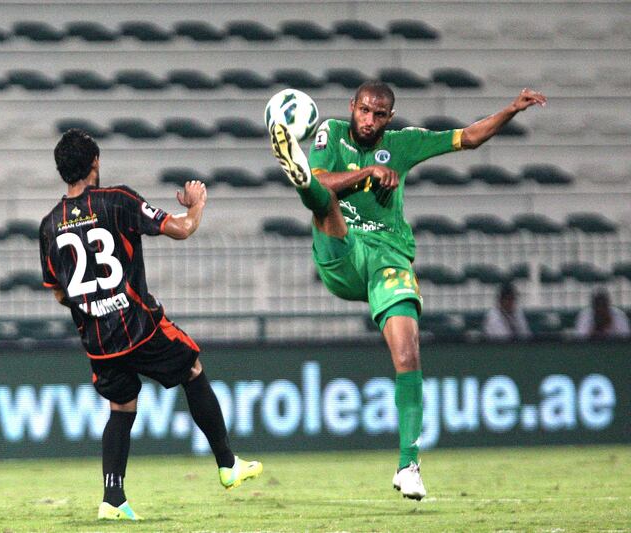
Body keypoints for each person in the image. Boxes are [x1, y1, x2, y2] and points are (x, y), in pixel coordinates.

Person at [269, 82, 546, 500]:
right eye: (364, 110)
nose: (369, 120)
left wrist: (512, 108)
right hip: (342, 253)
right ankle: (300, 174)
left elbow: (468, 138)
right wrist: (366, 173)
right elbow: (328, 182)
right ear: (352, 107)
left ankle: (408, 464)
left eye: (379, 115)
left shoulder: (404, 143)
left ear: (389, 119)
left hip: (389, 260)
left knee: (407, 353)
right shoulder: (330, 133)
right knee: (321, 196)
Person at [39, 129, 262, 521]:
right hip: (137, 325)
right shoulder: (116, 200)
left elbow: (59, 292)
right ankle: (228, 464)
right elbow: (181, 229)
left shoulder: (49, 224)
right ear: (95, 163)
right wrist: (195, 207)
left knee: (121, 406)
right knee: (192, 369)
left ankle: (113, 499)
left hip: (97, 338)